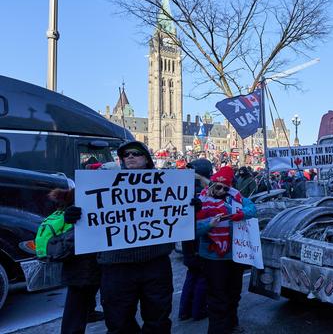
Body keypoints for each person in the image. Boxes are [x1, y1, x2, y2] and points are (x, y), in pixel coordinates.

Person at [68, 141, 175, 333]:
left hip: (155, 263)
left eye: (136, 153)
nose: (131, 157)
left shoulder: (168, 185)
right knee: (118, 321)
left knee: (158, 320)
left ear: (147, 160)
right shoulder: (104, 184)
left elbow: (177, 218)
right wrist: (74, 215)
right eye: (126, 155)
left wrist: (191, 208)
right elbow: (90, 215)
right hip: (116, 266)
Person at [193, 166, 256, 333]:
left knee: (234, 293)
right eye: (218, 187)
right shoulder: (201, 200)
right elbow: (194, 231)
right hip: (212, 257)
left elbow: (252, 209)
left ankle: (232, 324)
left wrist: (240, 214)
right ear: (212, 185)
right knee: (217, 297)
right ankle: (218, 330)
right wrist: (209, 225)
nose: (221, 191)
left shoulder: (236, 197)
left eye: (225, 188)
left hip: (235, 255)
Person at [47, 188, 103, 334]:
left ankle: (90, 312)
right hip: (83, 260)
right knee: (77, 303)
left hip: (106, 258)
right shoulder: (82, 190)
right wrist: (70, 215)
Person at [177, 159, 213, 322]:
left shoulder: (182, 188)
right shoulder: (203, 190)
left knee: (191, 275)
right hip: (199, 240)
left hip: (187, 241)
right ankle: (199, 310)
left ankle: (184, 311)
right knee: (202, 277)